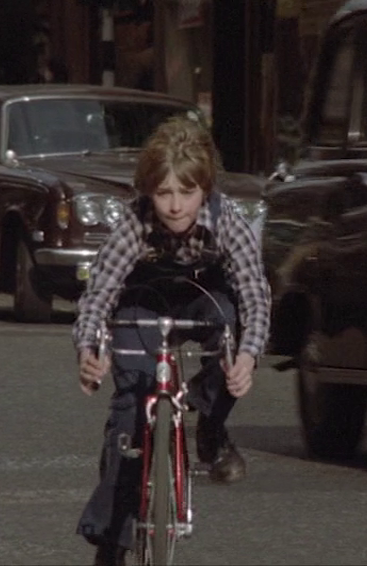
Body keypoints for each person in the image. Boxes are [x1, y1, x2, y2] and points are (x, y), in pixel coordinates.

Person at [72, 114, 271, 566]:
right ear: (148, 192)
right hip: (143, 300)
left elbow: (254, 293)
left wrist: (247, 357)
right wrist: (89, 349)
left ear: (206, 189)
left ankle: (211, 428)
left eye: (188, 192)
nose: (176, 207)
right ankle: (111, 541)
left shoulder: (227, 221)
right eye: (163, 193)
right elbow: (100, 291)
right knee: (129, 415)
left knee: (229, 328)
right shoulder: (134, 222)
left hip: (204, 298)